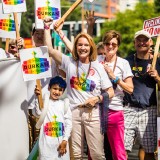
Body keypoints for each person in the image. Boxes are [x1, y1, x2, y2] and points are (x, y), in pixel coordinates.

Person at [43, 17, 114, 160]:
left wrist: (97, 98)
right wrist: (46, 27)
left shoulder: (98, 67)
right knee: (75, 154)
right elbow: (50, 50)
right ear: (75, 47)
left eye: (86, 45)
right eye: (80, 45)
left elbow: (110, 92)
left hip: (92, 114)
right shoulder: (69, 62)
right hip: (73, 113)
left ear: (91, 47)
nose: (83, 48)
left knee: (97, 155)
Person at [96, 30, 133, 160]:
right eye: (107, 43)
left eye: (114, 44)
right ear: (103, 45)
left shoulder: (123, 63)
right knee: (95, 152)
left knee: (118, 153)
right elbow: (82, 47)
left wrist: (114, 77)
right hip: (97, 111)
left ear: (118, 46)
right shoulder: (97, 59)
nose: (110, 46)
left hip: (115, 111)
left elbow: (130, 89)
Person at [123, 30, 160, 160]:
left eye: (145, 40)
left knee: (149, 150)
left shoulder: (158, 61)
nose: (141, 43)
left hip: (149, 110)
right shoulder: (126, 61)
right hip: (128, 109)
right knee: (122, 150)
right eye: (139, 40)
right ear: (134, 43)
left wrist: (157, 78)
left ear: (151, 42)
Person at [34, 76, 72, 160]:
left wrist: (65, 140)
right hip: (46, 146)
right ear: (49, 88)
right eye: (55, 88)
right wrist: (37, 98)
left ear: (63, 91)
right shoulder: (44, 102)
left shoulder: (64, 105)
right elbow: (38, 114)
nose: (57, 92)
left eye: (60, 90)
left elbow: (68, 124)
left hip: (61, 145)